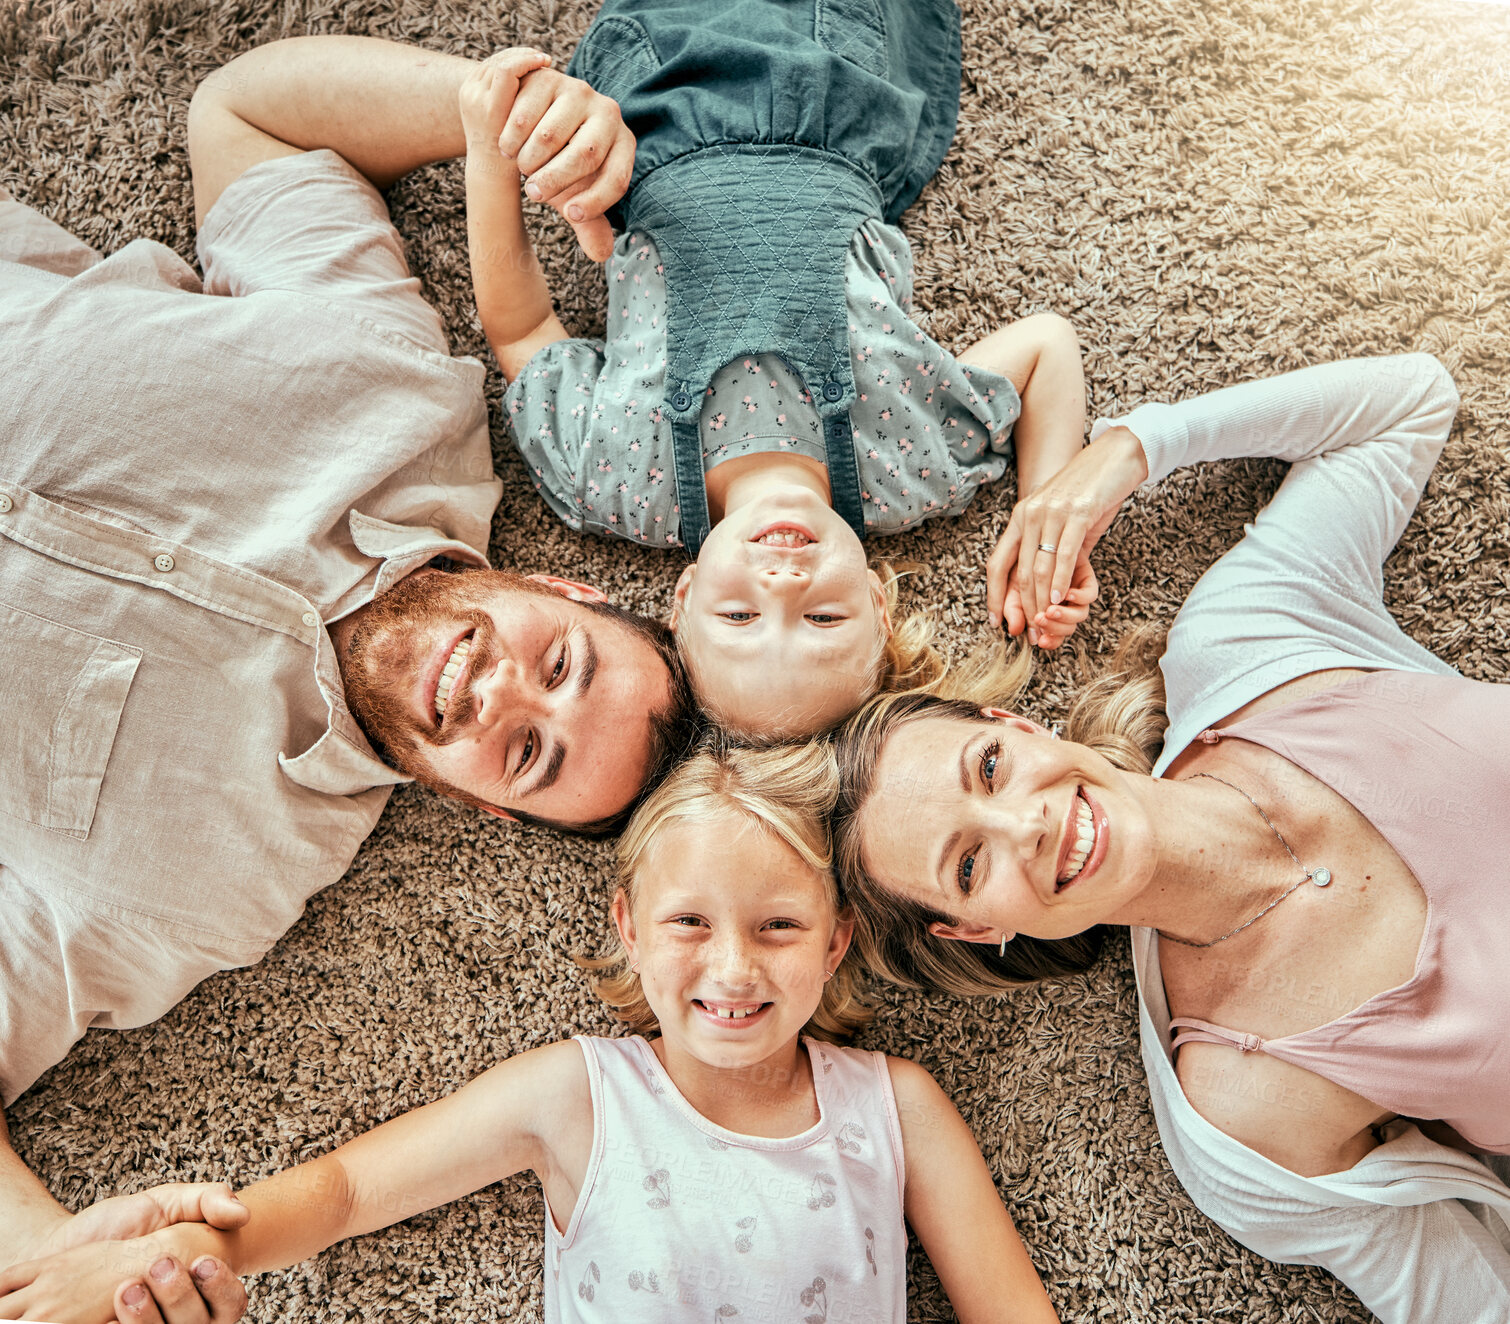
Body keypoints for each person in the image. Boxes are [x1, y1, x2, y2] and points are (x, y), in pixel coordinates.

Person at [0, 35, 700, 1312]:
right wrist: (500, 113)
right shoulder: (395, 384)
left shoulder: (223, 875)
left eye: (528, 753)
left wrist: (59, 1257)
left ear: (480, 805)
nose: (503, 693)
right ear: (564, 587)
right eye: (561, 662)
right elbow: (248, 117)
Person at [828, 353, 1510, 1322]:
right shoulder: (1245, 1108)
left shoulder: (1244, 644)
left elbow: (1407, 402)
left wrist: (1126, 450)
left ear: (1020, 729)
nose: (1026, 823)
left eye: (986, 771)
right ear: (977, 930)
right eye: (968, 865)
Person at [0, 743, 1062, 1324]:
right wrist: (171, 1250)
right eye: (689, 922)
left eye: (778, 927)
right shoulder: (579, 1094)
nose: (733, 969)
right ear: (632, 933)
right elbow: (346, 1191)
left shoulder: (896, 1104)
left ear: (832, 944)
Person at [464, 2, 1100, 740]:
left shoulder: (614, 482)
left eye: (739, 616)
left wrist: (486, 154)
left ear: (684, 596)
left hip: (657, 96)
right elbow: (1048, 347)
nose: (782, 586)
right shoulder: (913, 469)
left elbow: (519, 328)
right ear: (877, 599)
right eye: (823, 617)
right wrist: (1047, 524)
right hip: (839, 89)